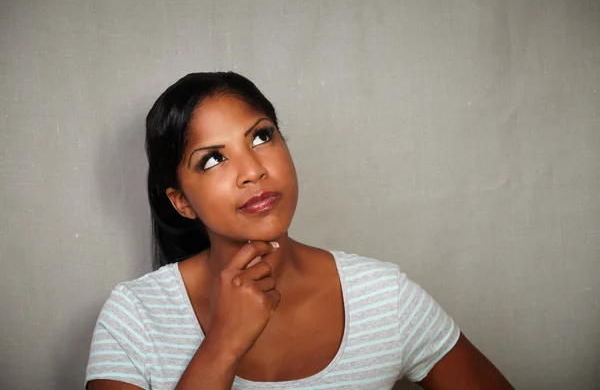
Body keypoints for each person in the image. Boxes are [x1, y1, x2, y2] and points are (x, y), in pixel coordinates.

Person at [85, 72, 514, 390]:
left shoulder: (384, 296)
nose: (253, 171)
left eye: (261, 137)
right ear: (181, 201)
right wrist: (223, 345)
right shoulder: (134, 317)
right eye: (213, 159)